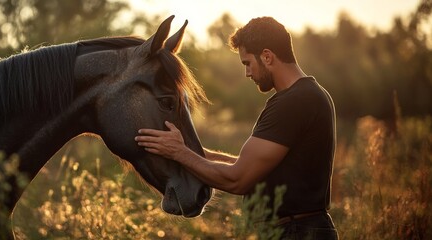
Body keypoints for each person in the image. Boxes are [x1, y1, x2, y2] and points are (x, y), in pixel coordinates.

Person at [135, 16, 338, 239]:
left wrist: (179, 152)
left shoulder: (294, 101)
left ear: (267, 56)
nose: (247, 73)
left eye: (247, 63)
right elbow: (253, 168)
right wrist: (195, 151)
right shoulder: (310, 94)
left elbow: (238, 179)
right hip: (297, 229)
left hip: (296, 233)